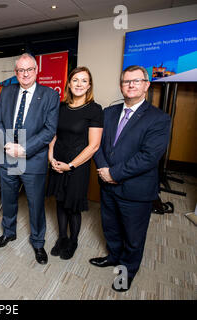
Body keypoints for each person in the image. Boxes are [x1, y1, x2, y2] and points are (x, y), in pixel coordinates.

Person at [92, 65, 171, 292]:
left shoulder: (159, 119)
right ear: (121, 85)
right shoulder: (108, 112)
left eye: (136, 81)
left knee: (134, 236)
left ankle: (127, 271)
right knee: (111, 227)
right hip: (107, 185)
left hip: (136, 190)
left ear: (146, 85)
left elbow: (148, 157)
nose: (131, 85)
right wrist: (105, 169)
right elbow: (97, 145)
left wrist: (114, 173)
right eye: (127, 81)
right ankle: (113, 256)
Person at [0, 53, 60, 265]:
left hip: (33, 159)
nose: (25, 74)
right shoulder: (7, 92)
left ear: (36, 70)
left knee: (35, 204)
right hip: (8, 156)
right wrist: (6, 145)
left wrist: (24, 149)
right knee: (9, 199)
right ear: (16, 73)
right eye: (21, 70)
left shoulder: (49, 95)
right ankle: (9, 232)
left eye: (29, 69)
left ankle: (38, 242)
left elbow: (49, 130)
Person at [47, 67, 103, 260]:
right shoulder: (61, 107)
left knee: (73, 206)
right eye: (75, 80)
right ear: (69, 84)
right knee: (60, 202)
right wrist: (51, 157)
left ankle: (73, 241)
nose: (79, 84)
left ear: (89, 86)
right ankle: (62, 238)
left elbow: (94, 146)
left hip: (77, 166)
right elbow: (55, 135)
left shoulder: (95, 110)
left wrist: (70, 165)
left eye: (84, 81)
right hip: (58, 161)